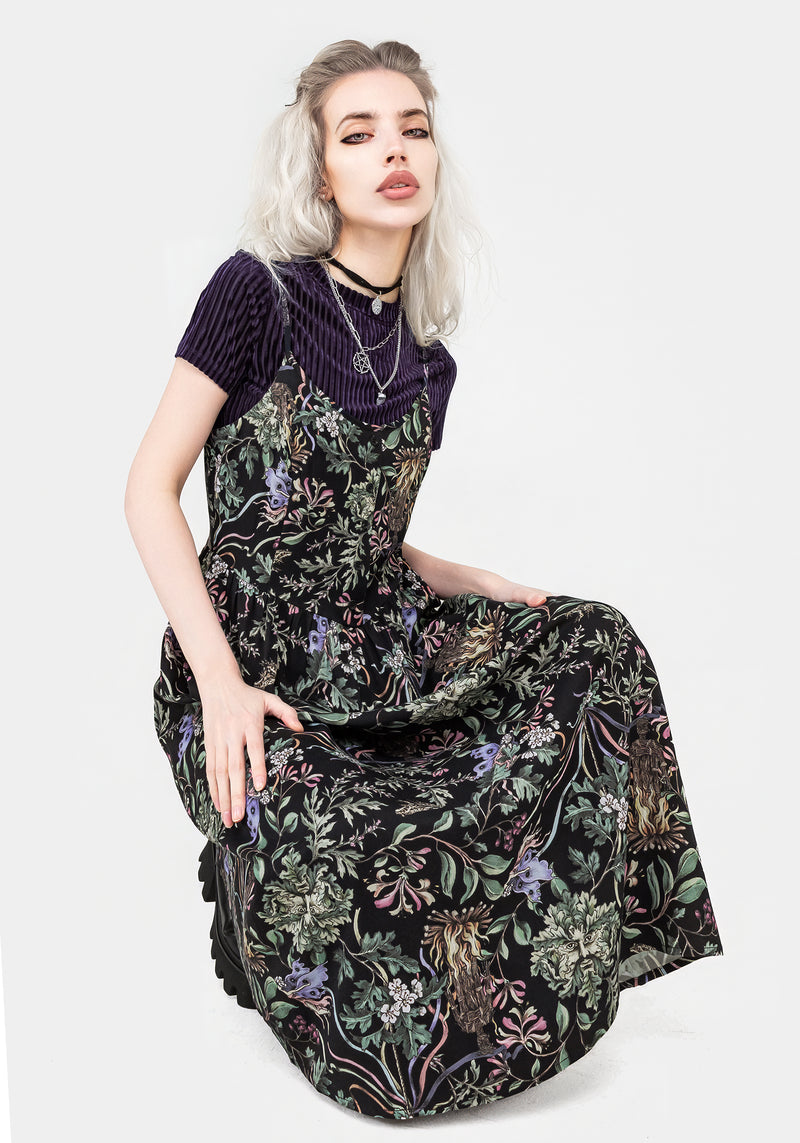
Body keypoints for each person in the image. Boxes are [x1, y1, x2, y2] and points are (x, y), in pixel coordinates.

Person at [124, 38, 723, 1121]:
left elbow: (359, 531)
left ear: (436, 159)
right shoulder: (254, 294)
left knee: (593, 638)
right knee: (349, 840)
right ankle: (247, 893)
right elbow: (148, 491)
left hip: (379, 637)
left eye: (413, 129)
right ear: (320, 173)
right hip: (251, 655)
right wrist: (218, 686)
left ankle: (555, 975)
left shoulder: (427, 361)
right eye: (358, 135)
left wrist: (461, 576)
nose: (393, 151)